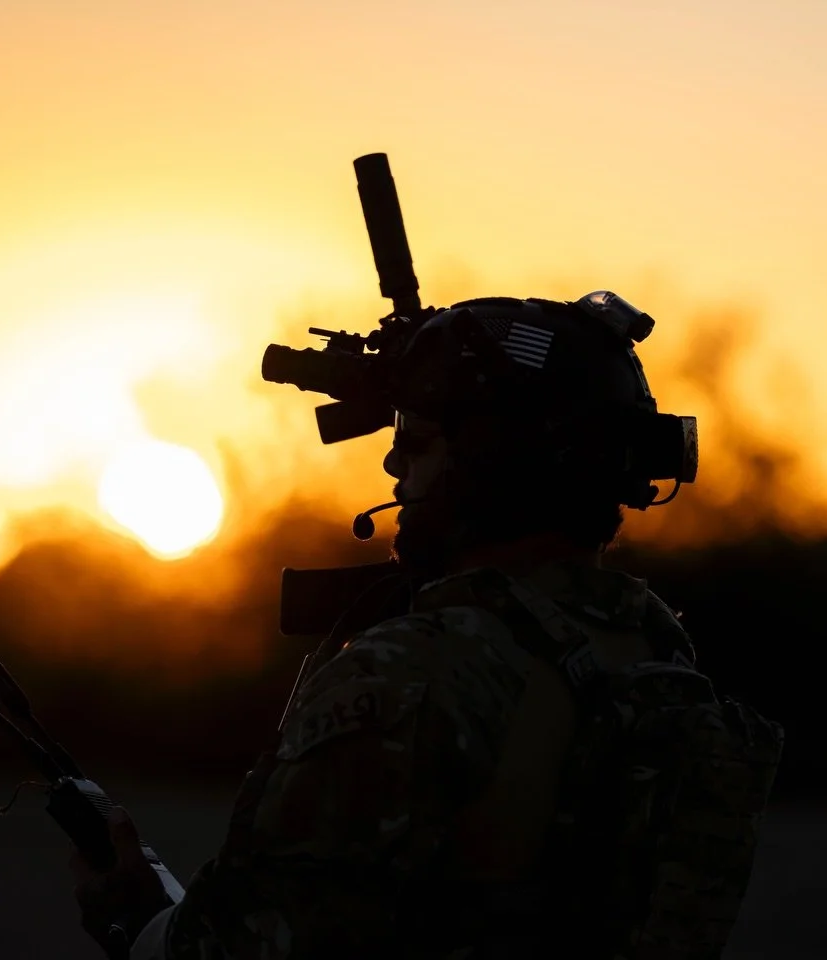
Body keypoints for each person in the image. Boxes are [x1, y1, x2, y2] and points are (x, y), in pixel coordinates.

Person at [71, 292, 784, 959]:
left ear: (491, 458)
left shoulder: (414, 672)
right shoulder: (655, 657)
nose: (392, 461)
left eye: (415, 437)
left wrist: (139, 923)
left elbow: (255, 942)